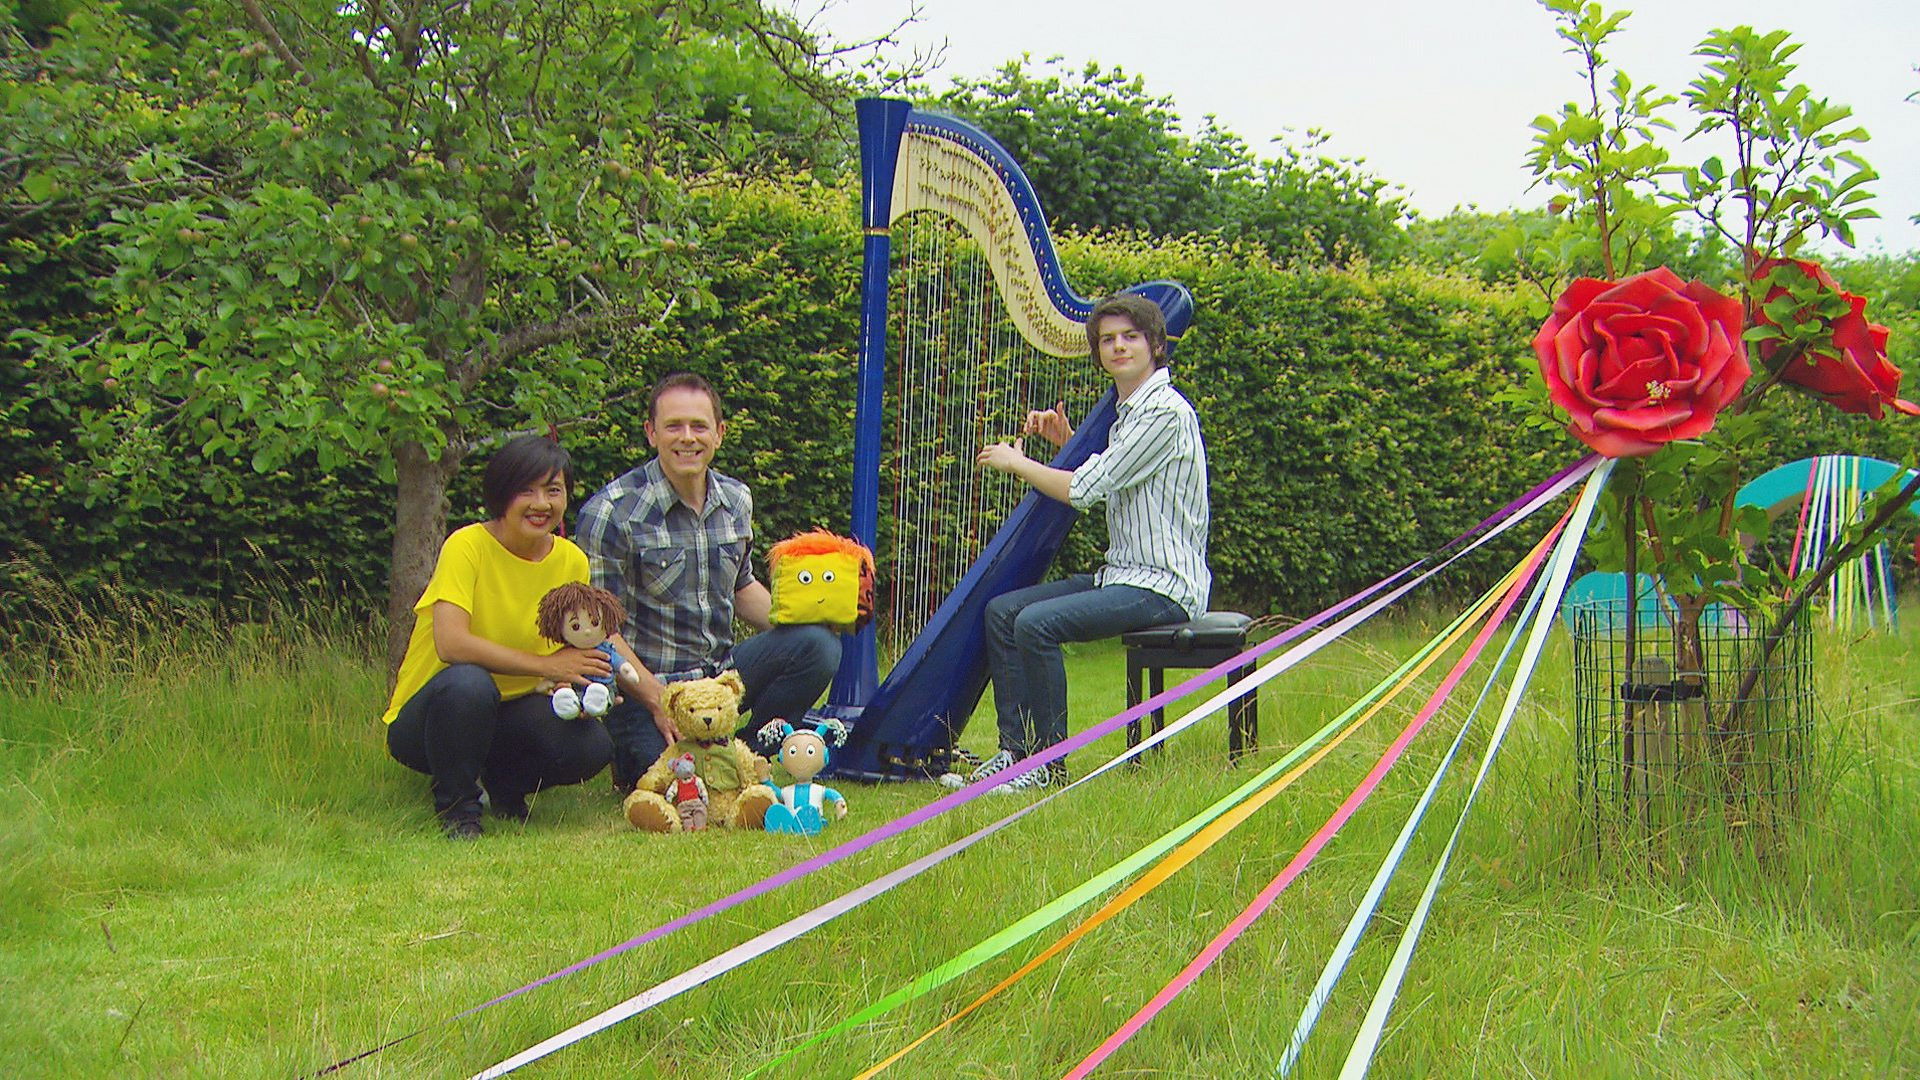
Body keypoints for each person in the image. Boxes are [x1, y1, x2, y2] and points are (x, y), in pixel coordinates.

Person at [951, 293, 1211, 793]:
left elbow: (1084, 489)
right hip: (1124, 574)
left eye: (1130, 337)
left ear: (1156, 345)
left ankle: (1048, 765)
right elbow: (1114, 472)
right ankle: (1015, 753)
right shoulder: (1130, 411)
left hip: (1164, 584)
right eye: (1108, 340)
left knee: (1036, 624)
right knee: (1003, 612)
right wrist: (1065, 442)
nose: (1119, 347)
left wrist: (1017, 462)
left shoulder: (1164, 412)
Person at [576, 372, 842, 794]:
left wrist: (810, 619)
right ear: (651, 433)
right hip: (647, 687)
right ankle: (655, 759)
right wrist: (659, 701)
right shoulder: (611, 512)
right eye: (673, 426)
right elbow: (601, 632)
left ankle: (748, 754)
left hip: (721, 677)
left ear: (719, 433)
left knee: (819, 645)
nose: (687, 438)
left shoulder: (736, 499)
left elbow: (742, 588)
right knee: (672, 784)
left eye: (699, 426)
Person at [381, 435, 627, 838]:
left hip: (514, 710)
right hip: (434, 717)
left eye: (553, 490)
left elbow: (571, 650)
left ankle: (504, 786)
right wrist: (546, 665)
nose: (541, 503)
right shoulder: (467, 546)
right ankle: (459, 810)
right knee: (469, 683)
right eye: (525, 490)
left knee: (591, 747)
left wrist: (579, 685)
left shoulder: (571, 560)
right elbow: (451, 644)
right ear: (501, 494)